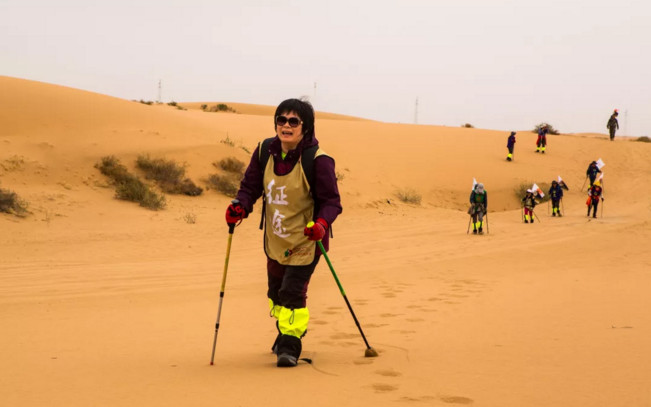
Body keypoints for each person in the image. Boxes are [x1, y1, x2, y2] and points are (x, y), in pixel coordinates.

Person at [225, 98, 342, 367]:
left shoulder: (318, 160)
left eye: (293, 121)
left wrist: (322, 225)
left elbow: (332, 202)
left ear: (306, 127)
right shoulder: (264, 151)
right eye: (281, 119)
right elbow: (250, 187)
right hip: (275, 238)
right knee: (275, 293)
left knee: (292, 292)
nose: (286, 125)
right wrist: (240, 207)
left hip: (307, 240)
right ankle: (285, 332)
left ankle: (290, 346)